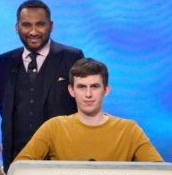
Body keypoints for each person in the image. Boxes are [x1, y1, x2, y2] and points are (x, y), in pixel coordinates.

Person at [14, 58, 163, 163]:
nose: (88, 94)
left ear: (106, 90)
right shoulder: (54, 128)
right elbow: (19, 169)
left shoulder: (129, 130)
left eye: (95, 86)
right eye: (81, 87)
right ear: (71, 90)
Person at [0, 0, 85, 171]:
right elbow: (3, 106)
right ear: (17, 27)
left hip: (61, 160)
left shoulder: (71, 57)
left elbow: (81, 105)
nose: (33, 31)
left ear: (51, 26)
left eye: (40, 25)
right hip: (17, 161)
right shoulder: (5, 61)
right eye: (27, 25)